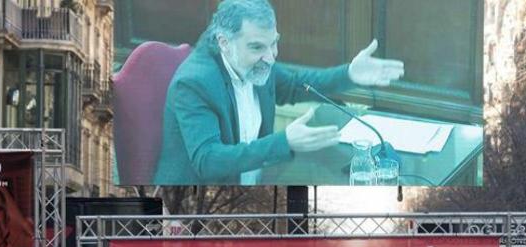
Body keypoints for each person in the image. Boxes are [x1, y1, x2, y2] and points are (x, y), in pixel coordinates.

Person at [153, 0, 404, 185]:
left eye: (274, 43)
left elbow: (296, 84)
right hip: (199, 202)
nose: (271, 57)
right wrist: (284, 142)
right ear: (224, 43)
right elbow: (208, 161)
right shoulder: (195, 83)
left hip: (254, 181)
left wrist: (349, 74)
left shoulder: (254, 62)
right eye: (257, 47)